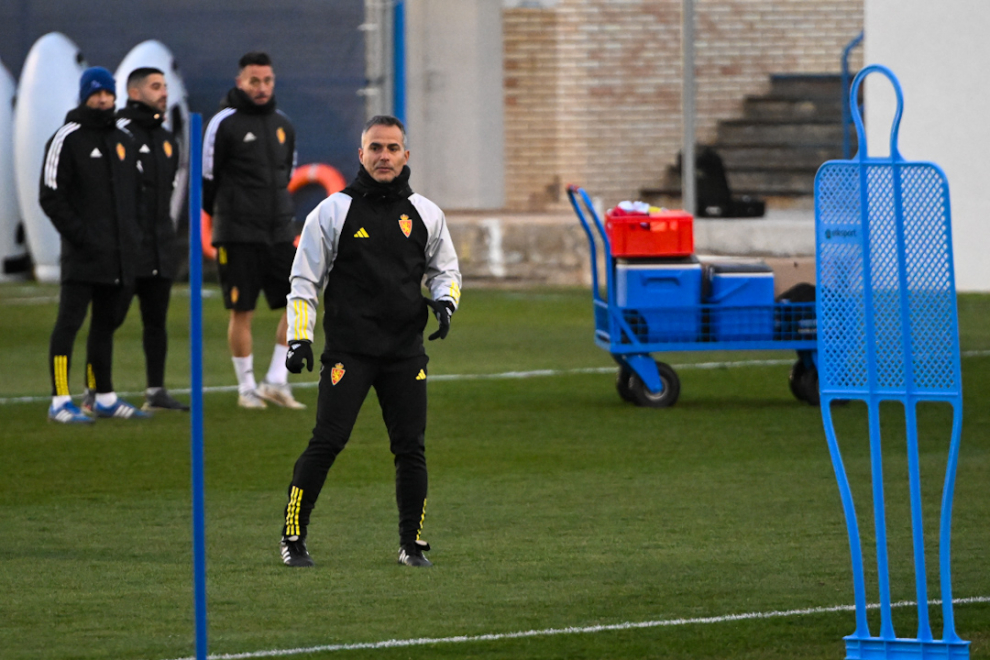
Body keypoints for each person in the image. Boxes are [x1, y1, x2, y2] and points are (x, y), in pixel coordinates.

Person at [278, 115, 461, 568]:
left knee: (410, 448)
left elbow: (447, 271)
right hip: (349, 352)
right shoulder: (332, 211)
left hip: (404, 352)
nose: (384, 156)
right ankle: (293, 535)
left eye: (392, 148)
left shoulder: (427, 213)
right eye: (375, 147)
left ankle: (411, 543)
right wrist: (300, 338)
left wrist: (445, 303)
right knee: (327, 441)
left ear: (406, 156)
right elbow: (304, 281)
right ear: (361, 154)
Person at [41, 66, 149, 423]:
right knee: (69, 324)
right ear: (84, 95)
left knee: (106, 326)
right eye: (95, 93)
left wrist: (133, 239)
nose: (102, 100)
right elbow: (51, 196)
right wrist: (82, 238)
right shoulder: (67, 137)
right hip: (83, 257)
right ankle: (59, 400)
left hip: (119, 258)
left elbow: (137, 196)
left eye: (107, 93)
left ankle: (103, 396)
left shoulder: (124, 140)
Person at [202, 51, 303, 410]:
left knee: (299, 301)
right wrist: (231, 216)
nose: (262, 88)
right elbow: (208, 180)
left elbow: (286, 177)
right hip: (237, 233)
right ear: (240, 82)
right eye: (254, 81)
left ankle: (276, 380)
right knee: (242, 310)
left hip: (278, 232)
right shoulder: (223, 124)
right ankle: (246, 388)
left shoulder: (284, 125)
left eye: (267, 81)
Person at [83, 67, 188, 412]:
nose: (163, 93)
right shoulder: (120, 133)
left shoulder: (168, 139)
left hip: (161, 245)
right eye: (155, 87)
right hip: (128, 248)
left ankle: (155, 391)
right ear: (134, 92)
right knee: (109, 319)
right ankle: (93, 390)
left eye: (165, 86)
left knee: (156, 321)